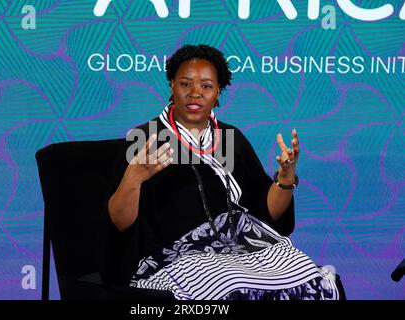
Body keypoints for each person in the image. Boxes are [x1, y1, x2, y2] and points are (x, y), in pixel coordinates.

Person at [107, 44, 343, 300]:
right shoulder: (145, 139)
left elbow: (267, 213)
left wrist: (286, 178)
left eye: (206, 86)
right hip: (174, 257)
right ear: (172, 86)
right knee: (233, 288)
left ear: (218, 92)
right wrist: (134, 179)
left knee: (310, 279)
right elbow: (120, 223)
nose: (195, 93)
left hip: (241, 250)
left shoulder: (230, 138)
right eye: (186, 84)